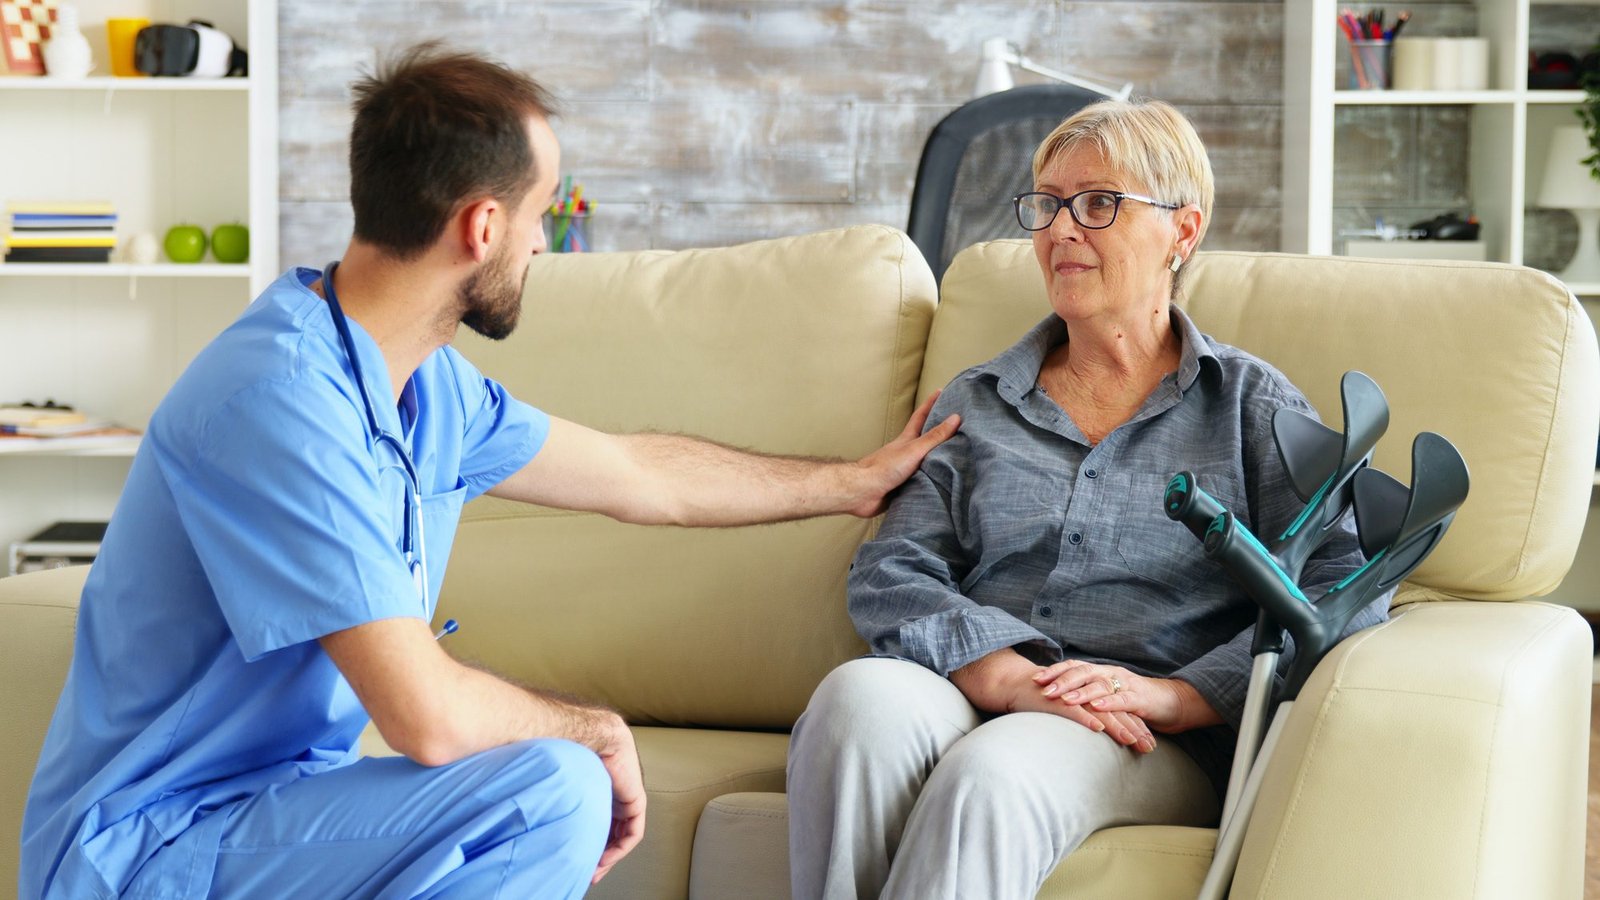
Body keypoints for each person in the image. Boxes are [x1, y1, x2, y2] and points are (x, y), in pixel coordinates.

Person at [19, 43, 959, 900]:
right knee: (551, 784)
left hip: (276, 812)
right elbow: (426, 717)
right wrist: (595, 729)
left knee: (545, 785)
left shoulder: (421, 385)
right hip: (146, 849)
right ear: (480, 226)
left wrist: (847, 482)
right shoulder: (279, 402)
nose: (543, 243)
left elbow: (641, 475)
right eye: (539, 214)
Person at [786, 98, 1391, 899]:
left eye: (1098, 204)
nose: (1060, 229)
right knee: (854, 704)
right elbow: (892, 571)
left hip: (1141, 733)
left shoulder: (1252, 409)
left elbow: (1340, 593)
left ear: (1182, 231)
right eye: (1046, 204)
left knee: (992, 775)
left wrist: (1176, 696)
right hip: (979, 685)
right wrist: (1003, 673)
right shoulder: (980, 401)